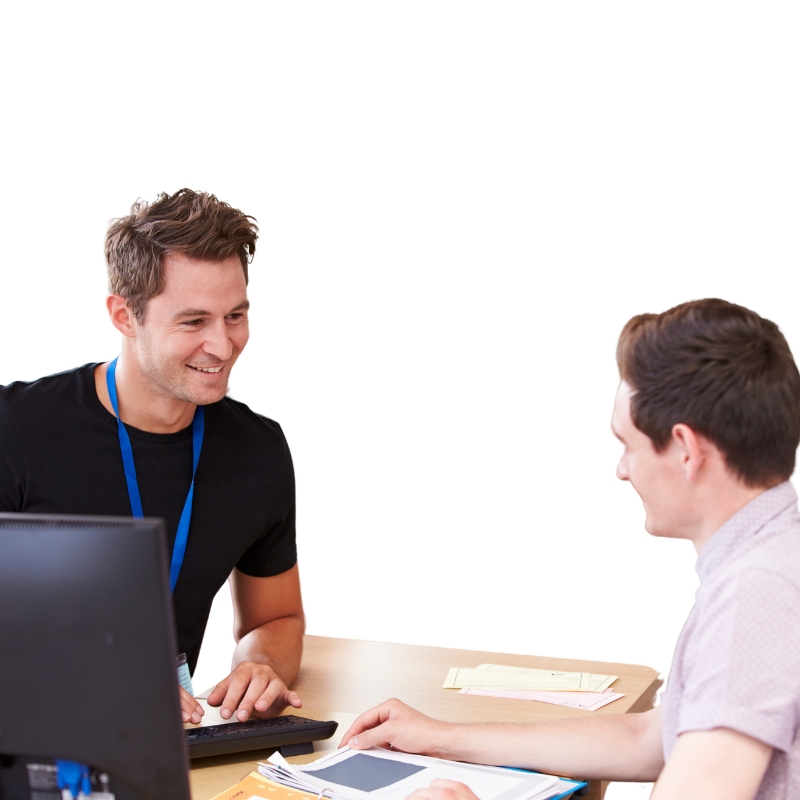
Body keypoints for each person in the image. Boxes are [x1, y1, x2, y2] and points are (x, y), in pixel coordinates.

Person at [340, 299, 800, 800]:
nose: (622, 470)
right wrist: (442, 737)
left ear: (687, 450)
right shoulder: (773, 553)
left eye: (628, 444)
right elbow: (649, 740)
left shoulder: (756, 593)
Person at [0, 189, 305, 726]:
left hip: (164, 744)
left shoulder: (259, 451)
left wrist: (258, 664)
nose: (223, 344)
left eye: (235, 315)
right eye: (193, 322)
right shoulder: (15, 428)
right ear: (124, 315)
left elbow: (278, 616)